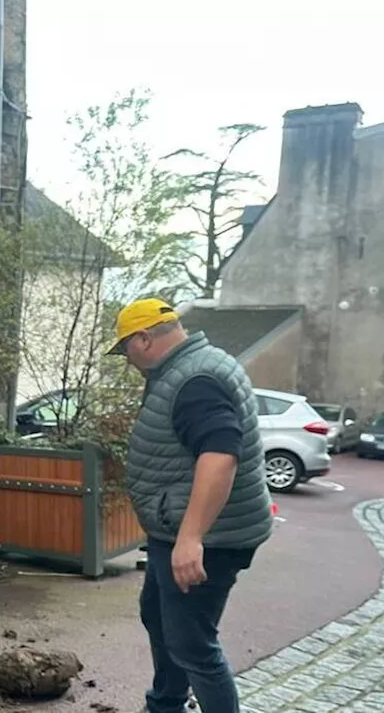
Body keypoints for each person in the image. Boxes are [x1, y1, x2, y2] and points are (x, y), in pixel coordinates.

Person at [109, 298, 274, 713]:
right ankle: (165, 704)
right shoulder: (193, 366)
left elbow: (220, 455)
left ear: (144, 338)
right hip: (182, 528)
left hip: (208, 538)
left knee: (192, 644)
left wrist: (190, 538)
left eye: (125, 348)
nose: (126, 359)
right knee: (159, 616)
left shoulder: (194, 379)